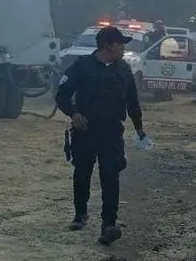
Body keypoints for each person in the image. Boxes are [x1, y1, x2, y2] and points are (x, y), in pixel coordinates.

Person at [54, 26, 148, 245]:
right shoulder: (82, 67)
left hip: (112, 132)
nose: (123, 48)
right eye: (120, 44)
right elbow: (62, 95)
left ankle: (109, 224)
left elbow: (132, 101)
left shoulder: (123, 69)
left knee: (111, 175)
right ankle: (80, 214)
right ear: (108, 45)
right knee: (82, 173)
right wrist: (73, 114)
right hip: (86, 131)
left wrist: (139, 128)